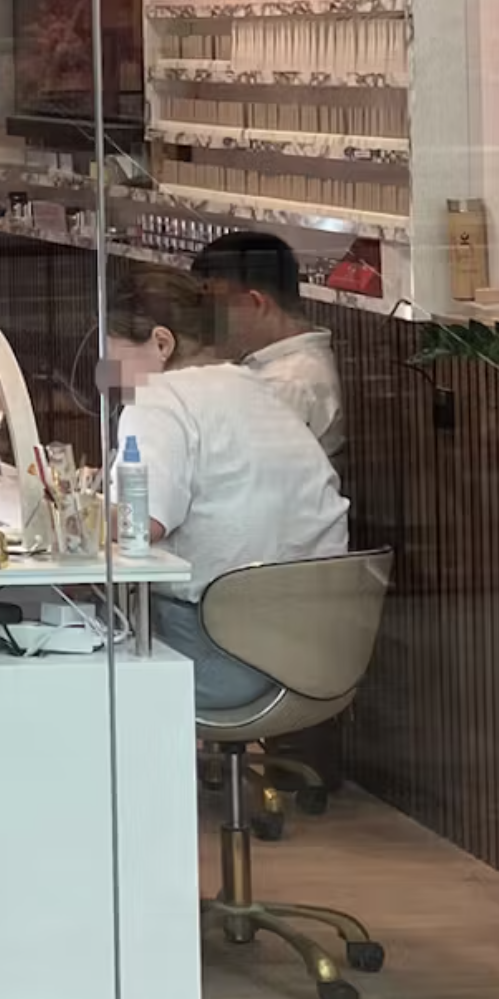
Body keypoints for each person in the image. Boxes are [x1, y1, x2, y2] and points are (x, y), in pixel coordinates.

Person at [108, 266, 350, 711]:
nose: (109, 374)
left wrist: (64, 512)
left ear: (161, 343)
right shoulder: (254, 385)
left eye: (113, 355)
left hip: (225, 654)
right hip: (320, 650)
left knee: (68, 653)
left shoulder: (157, 396)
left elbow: (139, 526)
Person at [196, 229, 343, 455]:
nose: (210, 321)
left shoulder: (286, 383)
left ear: (255, 303)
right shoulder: (279, 362)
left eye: (216, 308)